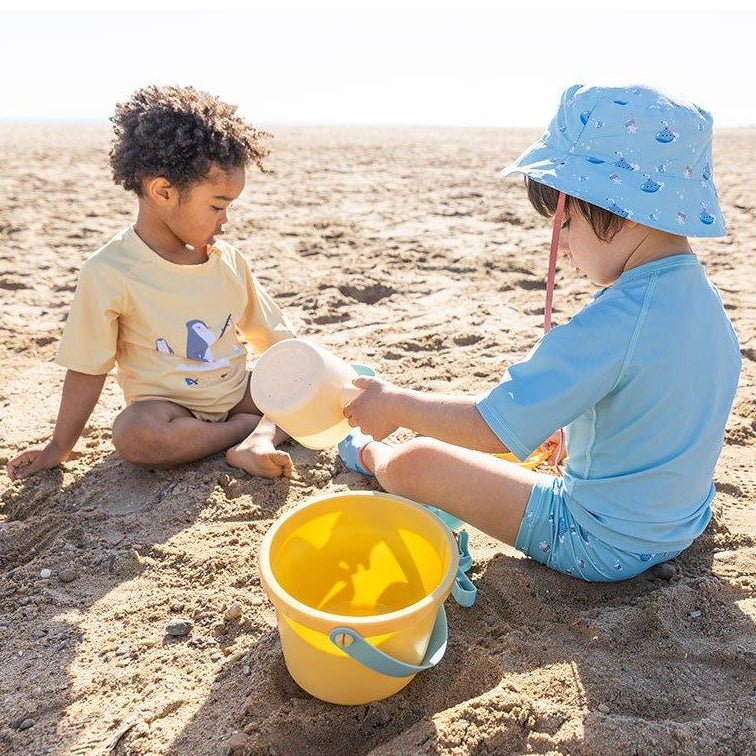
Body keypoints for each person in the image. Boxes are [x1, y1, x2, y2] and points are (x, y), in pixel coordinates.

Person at [338, 84, 741, 582]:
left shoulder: (614, 322)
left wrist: (395, 403)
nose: (564, 250)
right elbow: (660, 407)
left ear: (614, 209)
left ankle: (369, 454)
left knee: (416, 462)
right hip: (682, 521)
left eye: (564, 225)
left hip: (601, 541)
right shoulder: (703, 300)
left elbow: (488, 426)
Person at [7, 85, 296, 482]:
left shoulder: (228, 261)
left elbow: (278, 342)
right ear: (163, 191)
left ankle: (255, 437)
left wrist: (308, 382)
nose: (225, 221)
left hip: (237, 396)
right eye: (217, 206)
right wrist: (60, 446)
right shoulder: (110, 271)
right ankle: (249, 435)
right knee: (133, 435)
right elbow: (87, 369)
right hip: (168, 412)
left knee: (302, 383)